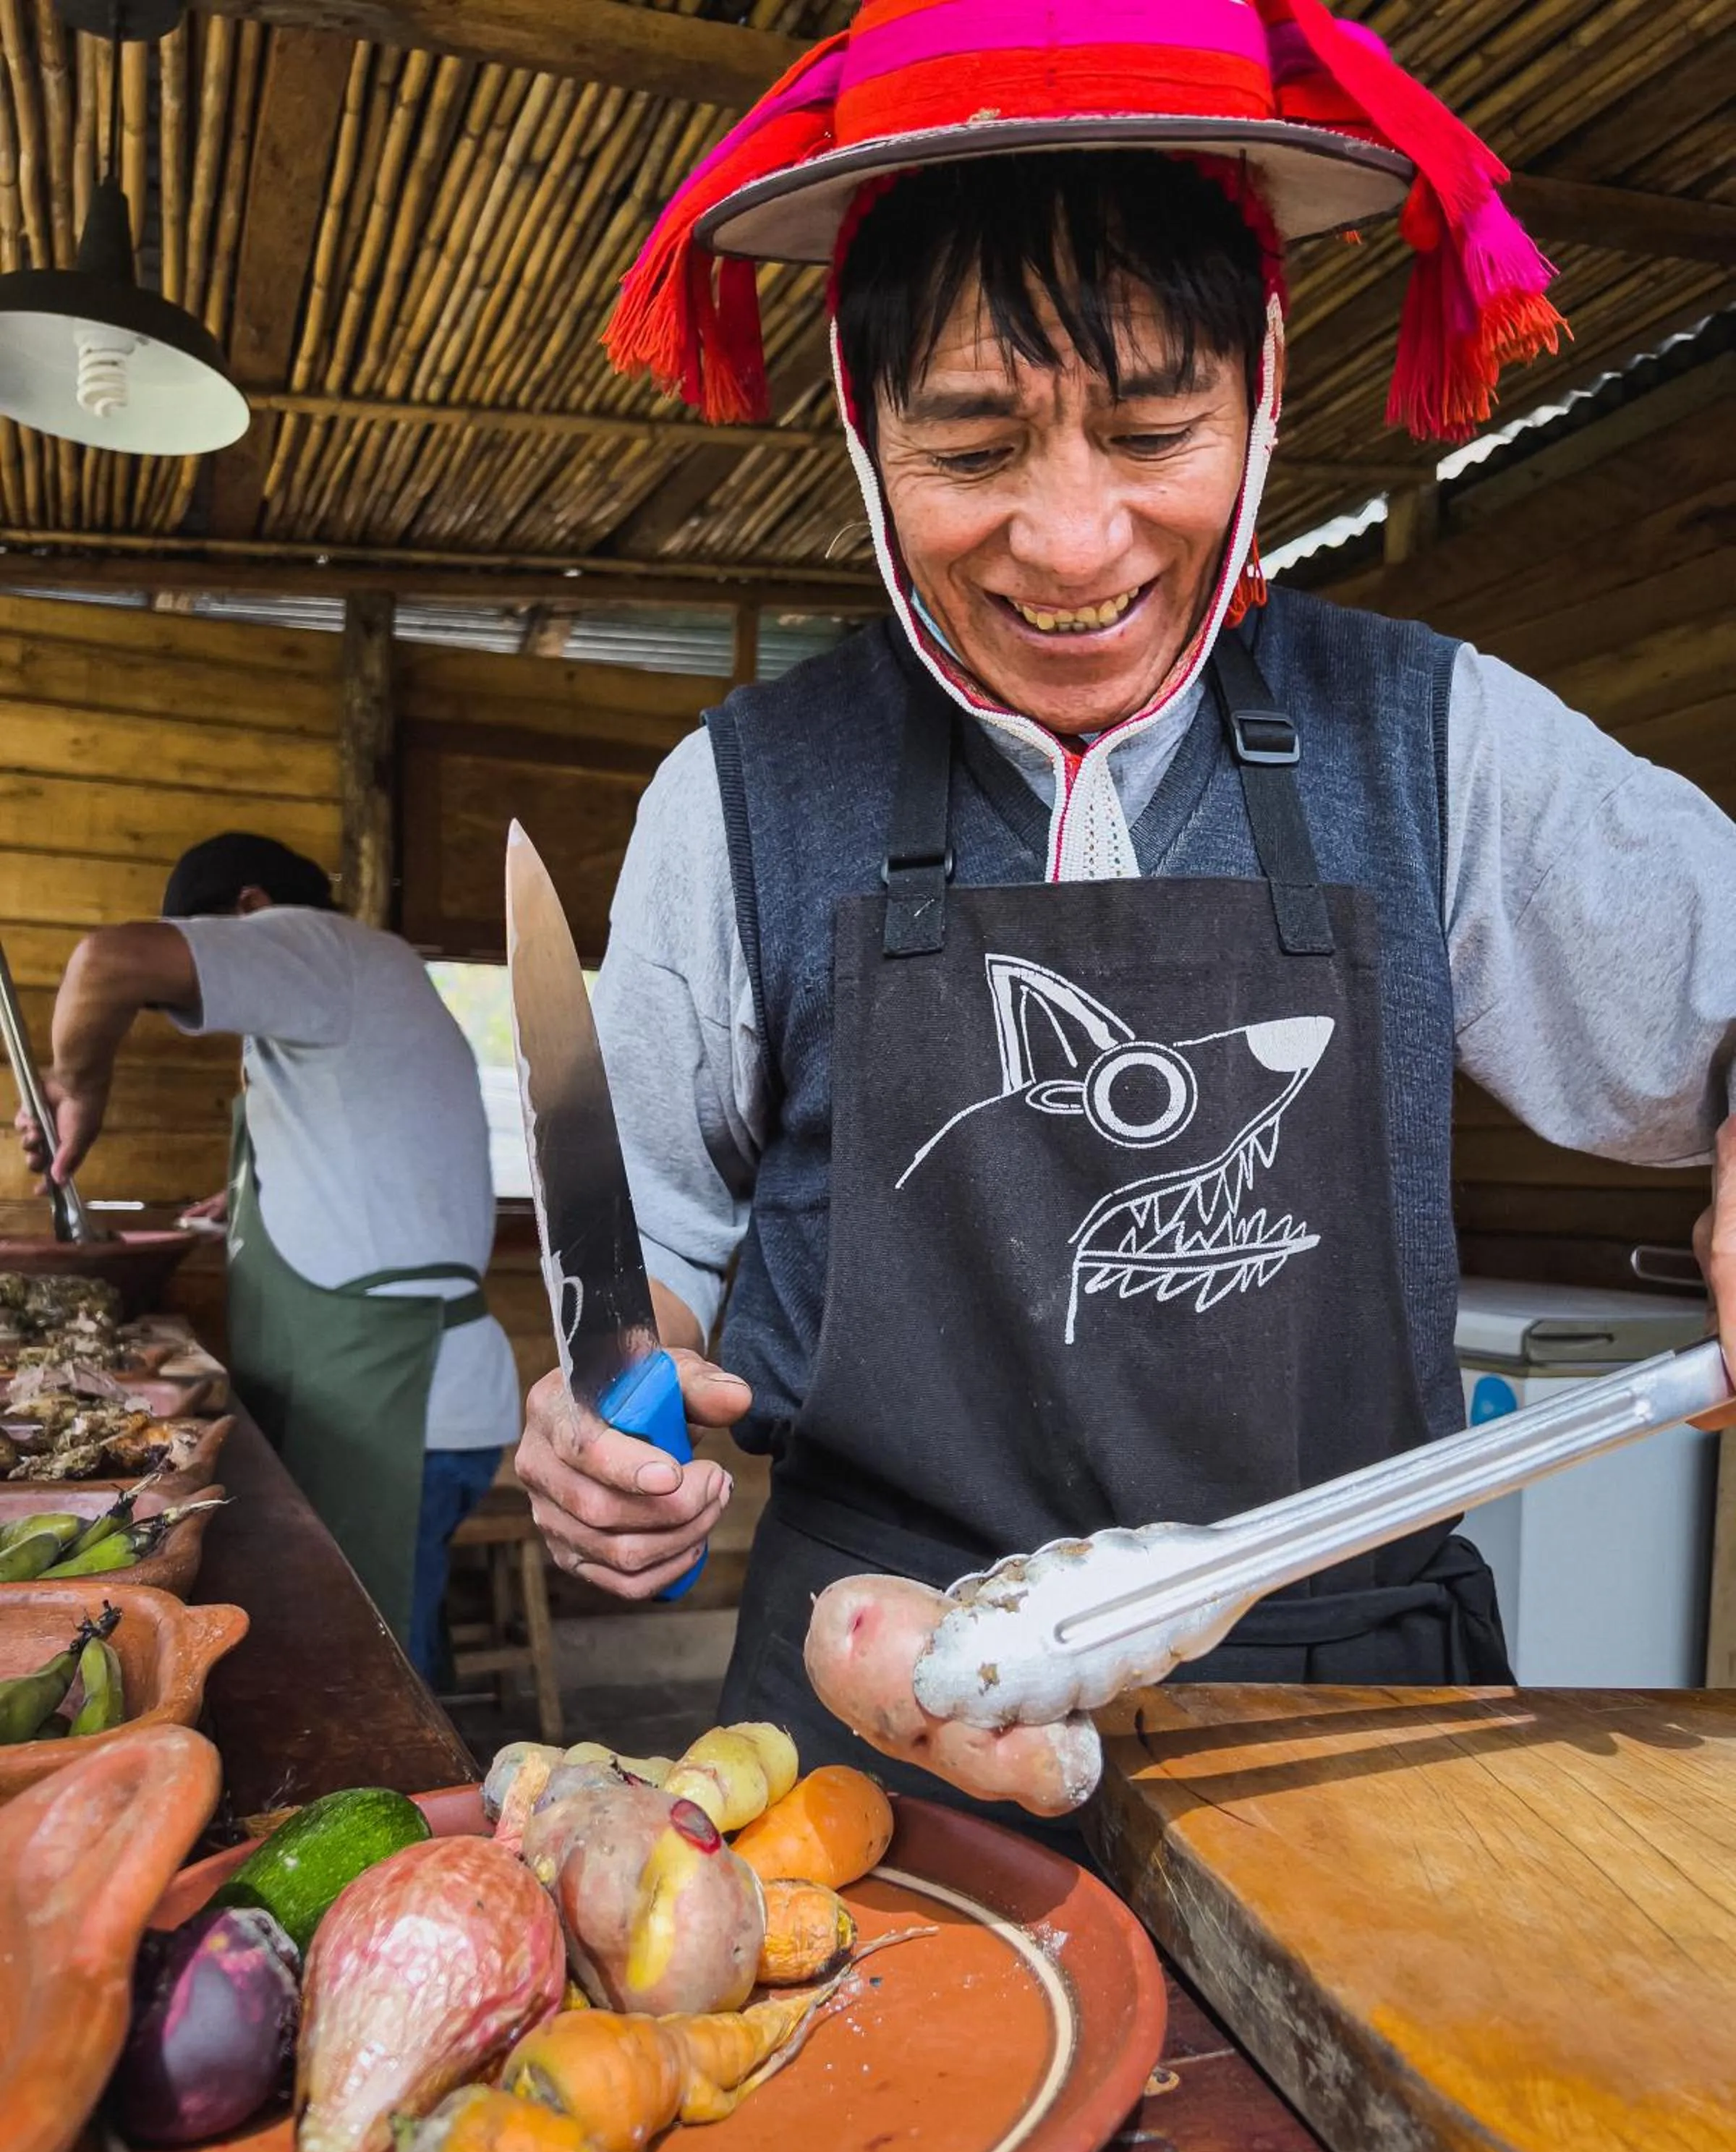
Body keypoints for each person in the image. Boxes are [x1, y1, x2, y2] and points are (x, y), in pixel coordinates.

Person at [515, 0, 1736, 1813]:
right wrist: (609, 1432)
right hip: (875, 1717)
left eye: (1154, 427)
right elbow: (655, 1276)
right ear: (861, 435)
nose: (1072, 545)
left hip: (1341, 1736)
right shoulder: (744, 792)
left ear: (1259, 395)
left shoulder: (1432, 739)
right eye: (975, 446)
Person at [15, 830, 519, 1679]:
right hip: (387, 1396)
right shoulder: (340, 1001)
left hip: (402, 1405)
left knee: (377, 1667)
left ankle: (438, 1810)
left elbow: (107, 961)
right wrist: (250, 1199)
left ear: (252, 911)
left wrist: (78, 1086)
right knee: (371, 1645)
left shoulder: (323, 948)